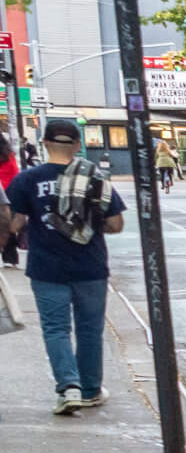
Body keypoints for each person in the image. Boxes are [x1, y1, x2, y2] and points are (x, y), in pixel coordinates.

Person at [6, 118, 128, 414]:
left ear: (45, 143)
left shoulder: (27, 180)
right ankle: (90, 390)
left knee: (56, 329)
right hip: (90, 267)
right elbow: (116, 224)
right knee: (89, 330)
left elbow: (16, 222)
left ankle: (68, 387)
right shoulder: (95, 178)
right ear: (77, 145)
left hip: (46, 267)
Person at [0, 135, 19, 267]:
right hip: (8, 192)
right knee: (7, 224)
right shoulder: (9, 155)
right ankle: (10, 257)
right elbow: (15, 173)